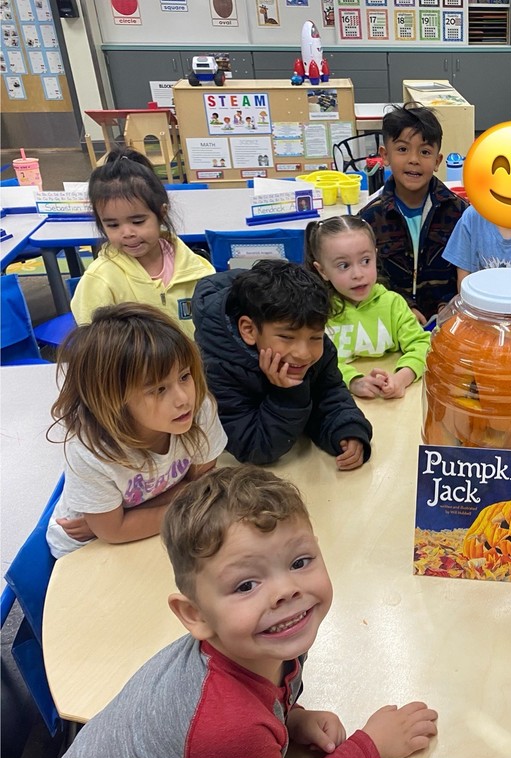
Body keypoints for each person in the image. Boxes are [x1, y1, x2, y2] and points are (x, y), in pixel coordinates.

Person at [57, 466, 439, 758]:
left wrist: (289, 722)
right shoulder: (227, 729)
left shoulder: (261, 642)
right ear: (195, 615)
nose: (285, 591)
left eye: (299, 561)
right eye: (245, 586)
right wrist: (370, 748)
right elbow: (230, 731)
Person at [44, 303, 227, 559]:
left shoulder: (198, 410)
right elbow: (114, 533)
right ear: (112, 399)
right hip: (84, 546)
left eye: (184, 376)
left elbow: (202, 481)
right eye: (158, 389)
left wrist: (125, 516)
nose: (183, 398)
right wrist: (114, 523)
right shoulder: (91, 450)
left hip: (132, 529)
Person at [191, 260, 372, 468]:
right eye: (287, 337)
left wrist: (346, 428)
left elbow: (329, 392)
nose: (303, 354)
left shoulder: (316, 347)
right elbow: (254, 447)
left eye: (315, 337)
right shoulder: (216, 367)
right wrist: (287, 394)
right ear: (249, 330)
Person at [71, 147, 214, 339]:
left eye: (138, 222)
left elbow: (213, 332)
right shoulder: (100, 279)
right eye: (112, 225)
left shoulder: (197, 269)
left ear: (161, 214)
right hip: (134, 369)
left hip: (190, 367)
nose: (127, 233)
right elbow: (95, 347)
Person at [359, 102, 468, 325]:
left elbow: (467, 268)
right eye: (402, 149)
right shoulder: (369, 219)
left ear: (438, 161)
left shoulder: (460, 213)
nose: (414, 159)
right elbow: (370, 276)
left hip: (450, 323)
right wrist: (402, 306)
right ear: (385, 155)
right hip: (392, 321)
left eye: (425, 151)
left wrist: (448, 304)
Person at [305, 215, 430, 400]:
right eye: (344, 265)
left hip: (395, 406)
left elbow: (423, 345)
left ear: (375, 256)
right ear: (322, 270)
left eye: (365, 261)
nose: (358, 274)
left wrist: (402, 377)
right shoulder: (318, 312)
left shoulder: (392, 304)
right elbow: (314, 360)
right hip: (341, 401)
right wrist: (353, 381)